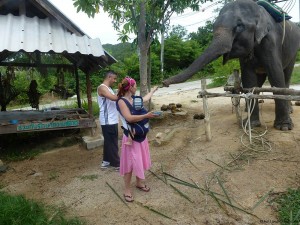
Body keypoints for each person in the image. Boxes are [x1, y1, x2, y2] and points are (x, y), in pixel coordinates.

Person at [116, 77, 158, 202]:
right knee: (129, 164)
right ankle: (127, 190)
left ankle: (139, 183)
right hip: (130, 138)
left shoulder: (135, 99)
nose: (136, 88)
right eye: (135, 86)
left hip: (141, 136)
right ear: (130, 87)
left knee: (140, 160)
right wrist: (146, 115)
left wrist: (154, 90)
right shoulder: (121, 101)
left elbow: (146, 98)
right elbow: (129, 118)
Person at [97, 71, 120, 170]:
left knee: (109, 141)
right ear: (109, 77)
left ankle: (106, 162)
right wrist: (122, 90)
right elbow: (114, 98)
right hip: (108, 120)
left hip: (112, 119)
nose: (115, 81)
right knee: (112, 142)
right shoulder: (102, 88)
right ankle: (116, 164)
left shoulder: (109, 88)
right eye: (114, 78)